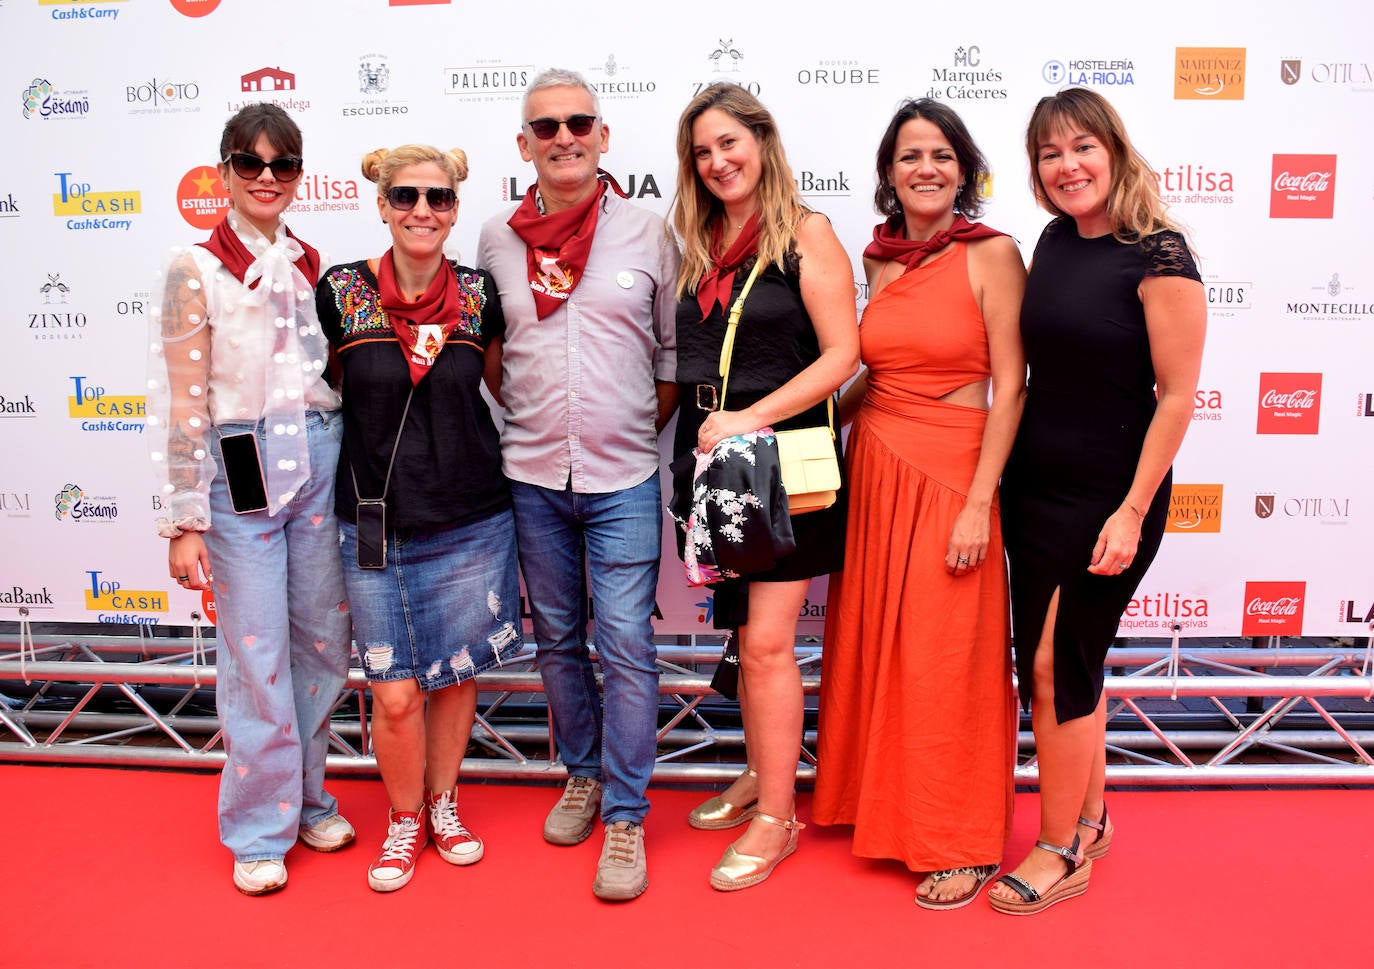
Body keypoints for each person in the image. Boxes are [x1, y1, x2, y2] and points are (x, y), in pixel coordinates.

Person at [988, 88, 1206, 914]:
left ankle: (1059, 848)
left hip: (1113, 496)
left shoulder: (1161, 255)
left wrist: (1131, 510)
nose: (1067, 166)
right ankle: (1093, 813)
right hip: (1035, 489)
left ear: (1113, 150)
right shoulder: (1051, 239)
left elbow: (1178, 396)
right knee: (1063, 661)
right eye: (1050, 154)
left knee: (1053, 665)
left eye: (1081, 147)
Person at [811, 99, 1026, 909]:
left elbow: (1011, 389)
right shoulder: (880, 261)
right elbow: (876, 372)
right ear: (888, 173)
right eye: (909, 156)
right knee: (880, 642)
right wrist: (808, 420)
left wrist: (980, 501)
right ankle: (884, 805)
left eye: (940, 154)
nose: (925, 168)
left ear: (964, 169)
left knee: (947, 654)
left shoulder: (993, 253)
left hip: (952, 472)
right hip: (875, 467)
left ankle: (960, 839)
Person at [476, 68, 679, 902]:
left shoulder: (650, 233)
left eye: (579, 123)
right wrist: (532, 420)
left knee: (627, 645)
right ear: (523, 145)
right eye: (546, 126)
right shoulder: (494, 238)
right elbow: (490, 355)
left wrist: (629, 426)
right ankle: (583, 773)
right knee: (557, 640)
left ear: (603, 137)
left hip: (625, 477)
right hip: (530, 477)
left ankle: (627, 813)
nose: (564, 136)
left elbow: (670, 357)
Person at [148, 103, 353, 896]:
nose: (268, 178)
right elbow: (184, 401)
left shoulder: (311, 262)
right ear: (225, 171)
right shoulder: (193, 268)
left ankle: (306, 797)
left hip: (320, 456)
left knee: (323, 643)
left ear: (299, 175)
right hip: (240, 462)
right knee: (255, 652)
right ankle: (259, 825)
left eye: (284, 165)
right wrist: (183, 519)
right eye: (251, 162)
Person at [670, 82, 859, 892]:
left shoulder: (806, 231)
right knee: (744, 641)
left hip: (781, 465)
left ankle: (778, 818)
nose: (717, 162)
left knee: (768, 644)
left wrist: (753, 417)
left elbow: (843, 353)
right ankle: (762, 775)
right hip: (712, 459)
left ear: (763, 140)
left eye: (728, 144)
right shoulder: (703, 238)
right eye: (702, 152)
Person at [316, 145, 521, 893]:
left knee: (456, 676)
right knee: (395, 691)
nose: (422, 211)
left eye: (438, 198)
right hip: (372, 521)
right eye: (405, 197)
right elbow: (320, 397)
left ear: (456, 208)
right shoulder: (339, 290)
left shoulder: (479, 293)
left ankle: (444, 804)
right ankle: (403, 818)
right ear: (380, 204)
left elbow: (504, 390)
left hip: (470, 514)